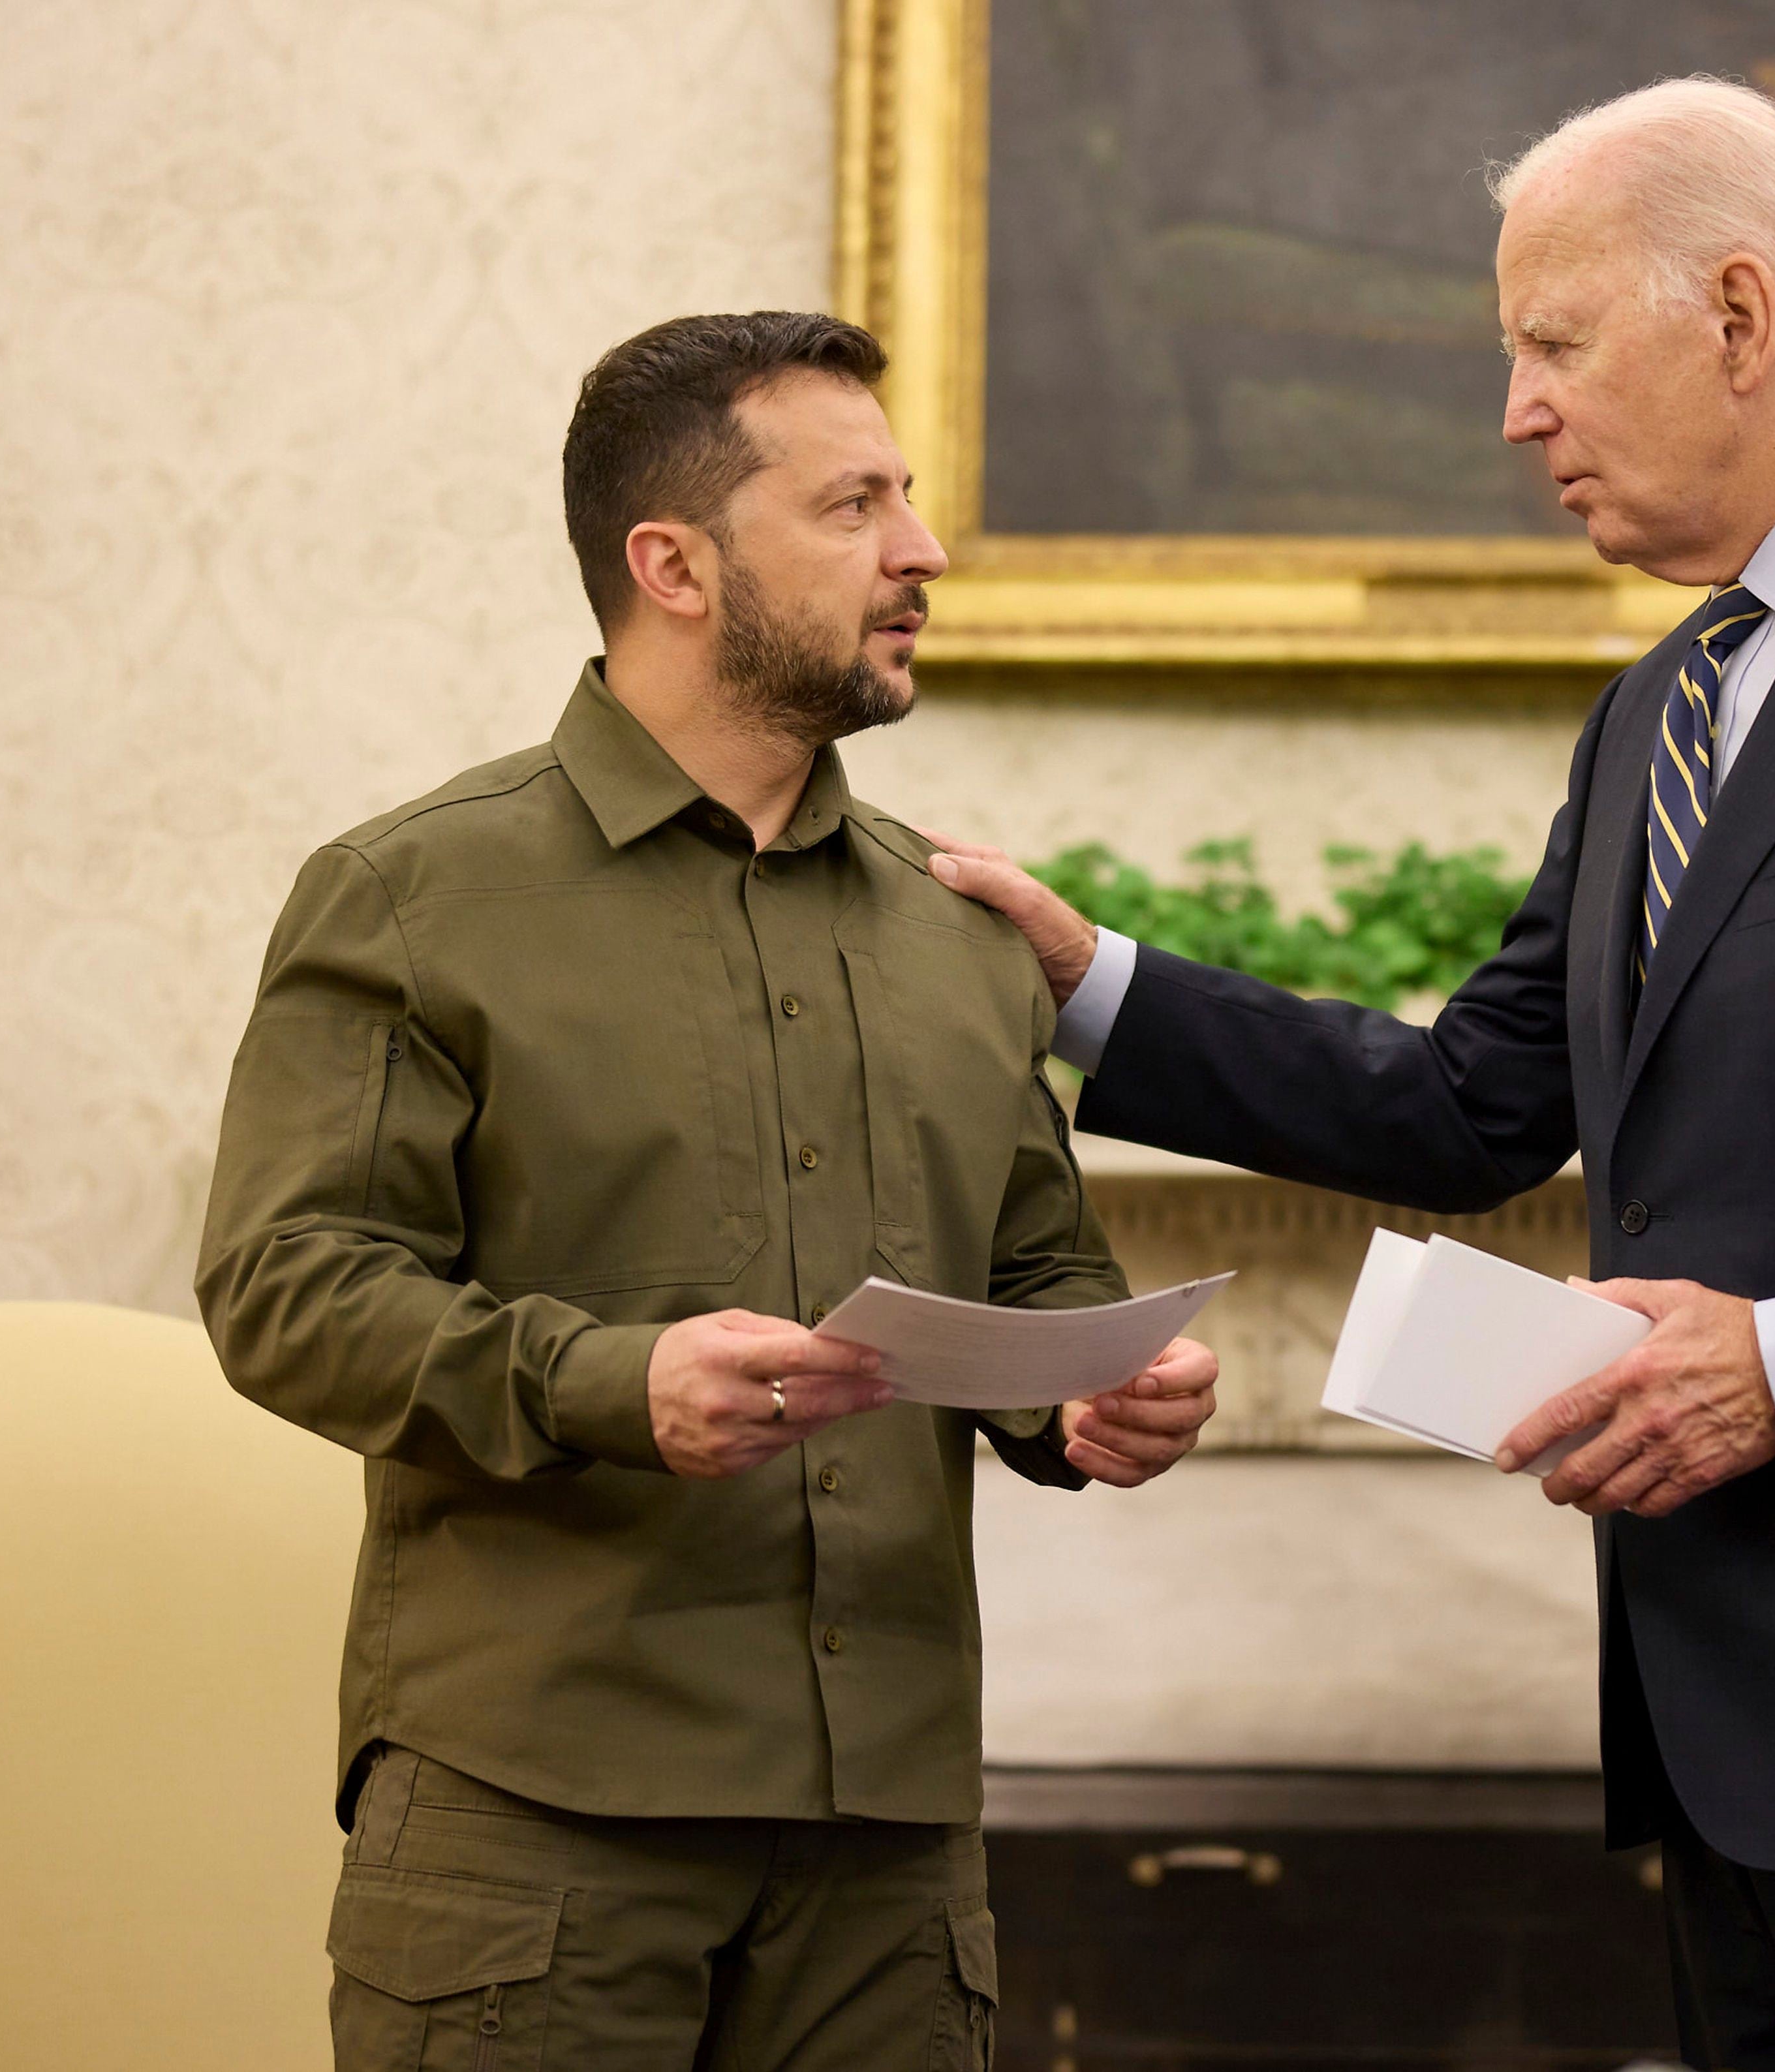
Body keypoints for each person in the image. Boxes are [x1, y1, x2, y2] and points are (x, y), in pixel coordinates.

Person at [929, 80, 1775, 2071]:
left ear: (1739, 319)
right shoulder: (1659, 706)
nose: (1515, 411)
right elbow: (1475, 1108)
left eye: (1552, 344)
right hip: (1730, 1742)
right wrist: (1091, 987)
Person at [198, 311, 1218, 2071]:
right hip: (537, 1827)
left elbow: (1042, 1281)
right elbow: (289, 1290)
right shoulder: (411, 895)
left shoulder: (966, 933)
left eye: (908, 501)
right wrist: (616, 1382)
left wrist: (1104, 1396)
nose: (924, 551)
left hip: (894, 1861)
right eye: (855, 508)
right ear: (670, 563)